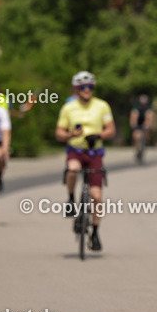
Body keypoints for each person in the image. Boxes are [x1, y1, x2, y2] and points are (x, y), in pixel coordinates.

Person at [55, 71, 116, 252]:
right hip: (76, 150)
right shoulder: (69, 108)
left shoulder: (102, 106)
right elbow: (59, 133)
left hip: (95, 152)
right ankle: (71, 199)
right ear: (76, 89)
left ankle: (95, 232)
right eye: (83, 87)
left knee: (96, 196)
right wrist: (70, 135)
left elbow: (111, 129)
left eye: (90, 87)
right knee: (72, 169)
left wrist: (100, 135)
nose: (86, 90)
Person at [129, 94, 154, 163]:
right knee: (136, 136)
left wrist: (148, 125)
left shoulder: (148, 108)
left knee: (148, 114)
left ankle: (146, 143)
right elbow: (133, 118)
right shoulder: (136, 108)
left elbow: (150, 118)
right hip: (137, 123)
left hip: (144, 123)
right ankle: (137, 150)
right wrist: (134, 125)